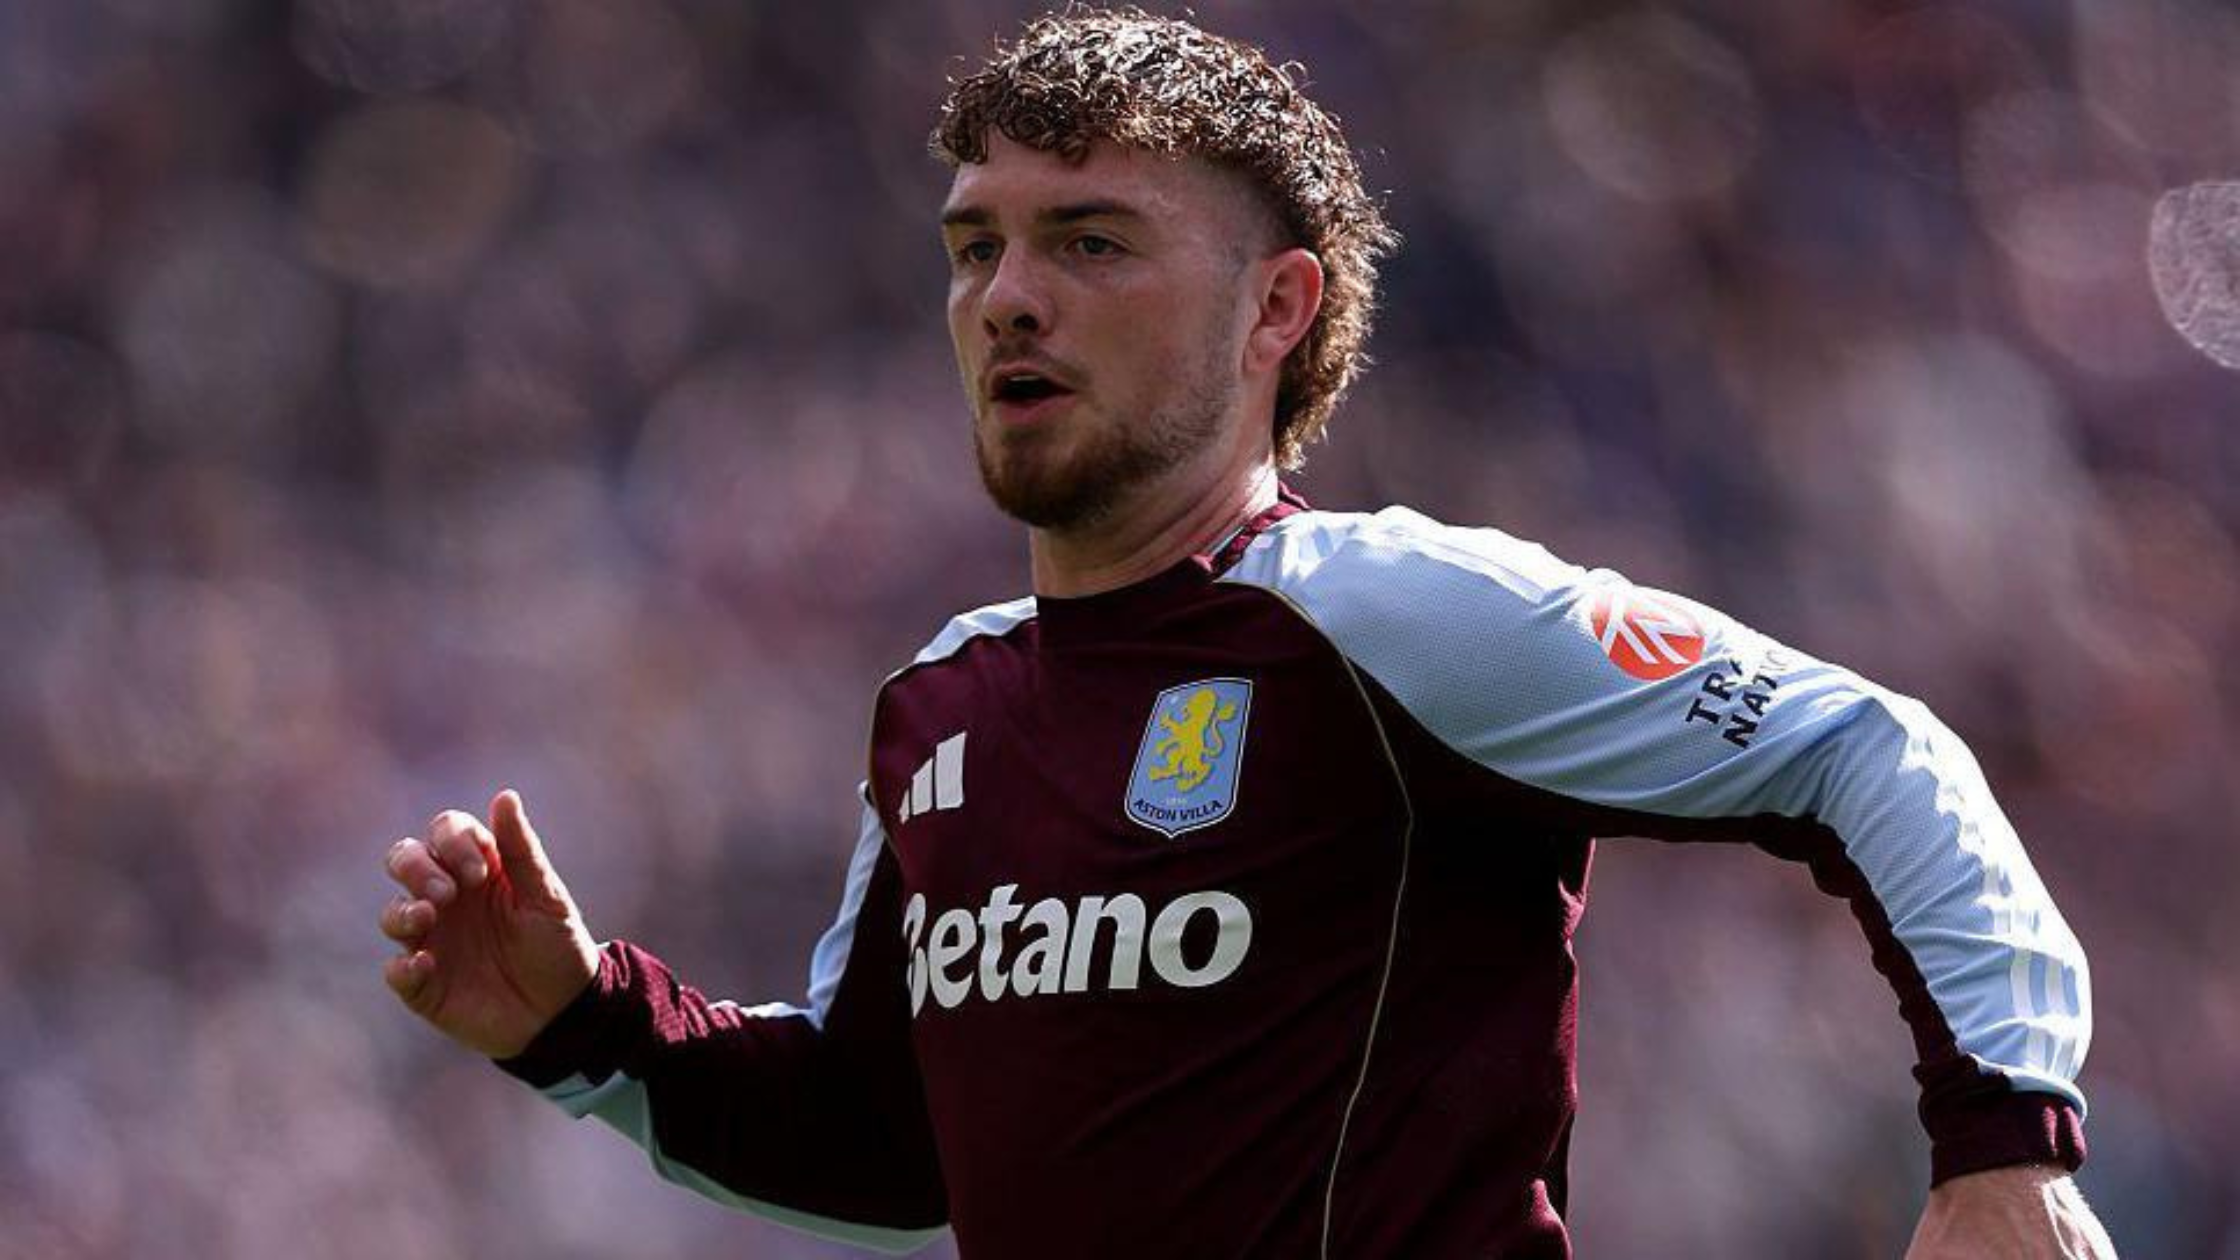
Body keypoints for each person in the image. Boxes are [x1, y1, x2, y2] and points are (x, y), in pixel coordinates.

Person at [377, 9, 2115, 1257]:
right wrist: (587, 1023)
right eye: (975, 247)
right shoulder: (940, 705)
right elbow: (895, 1142)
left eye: (1091, 240)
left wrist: (2005, 1151)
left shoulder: (1389, 618)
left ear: (1277, 308)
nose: (1010, 298)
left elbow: (1868, 751)